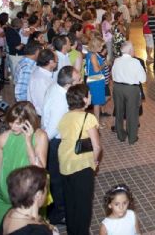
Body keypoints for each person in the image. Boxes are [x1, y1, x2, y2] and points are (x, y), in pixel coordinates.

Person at [0, 102, 48, 232]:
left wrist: (28, 142)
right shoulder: (3, 139)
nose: (12, 126)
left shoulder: (40, 137)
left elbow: (40, 170)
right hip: (4, 198)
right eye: (10, 122)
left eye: (17, 123)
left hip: (30, 201)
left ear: (29, 121)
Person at [58, 84, 102, 235]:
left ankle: (72, 231)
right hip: (82, 165)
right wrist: (94, 163)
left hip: (64, 163)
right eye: (89, 95)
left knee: (70, 202)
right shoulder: (88, 118)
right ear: (84, 99)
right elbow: (97, 147)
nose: (90, 97)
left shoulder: (64, 116)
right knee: (83, 205)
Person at [42, 66, 80, 225]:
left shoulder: (55, 88)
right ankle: (60, 213)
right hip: (55, 142)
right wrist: (44, 145)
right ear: (69, 84)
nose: (81, 82)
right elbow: (53, 129)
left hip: (54, 140)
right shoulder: (61, 101)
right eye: (78, 80)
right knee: (57, 179)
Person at [0, 166, 59, 235]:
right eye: (46, 189)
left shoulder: (11, 212)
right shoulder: (36, 231)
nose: (47, 192)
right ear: (38, 195)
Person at [112, 42, 147, 145]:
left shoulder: (116, 60)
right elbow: (143, 79)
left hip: (117, 88)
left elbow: (113, 75)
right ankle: (132, 137)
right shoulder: (135, 62)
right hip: (131, 89)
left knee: (119, 111)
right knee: (132, 113)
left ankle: (121, 135)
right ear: (130, 50)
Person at [27, 49, 57, 117]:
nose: (57, 64)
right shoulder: (40, 79)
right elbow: (41, 104)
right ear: (51, 62)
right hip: (42, 116)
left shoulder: (43, 73)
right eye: (56, 62)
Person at [86, 36, 107, 126]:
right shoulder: (93, 56)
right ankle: (97, 123)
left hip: (94, 80)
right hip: (96, 81)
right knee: (97, 103)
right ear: (96, 46)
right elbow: (96, 70)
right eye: (101, 46)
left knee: (96, 102)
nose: (102, 48)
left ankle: (97, 121)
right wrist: (104, 64)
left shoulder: (90, 54)